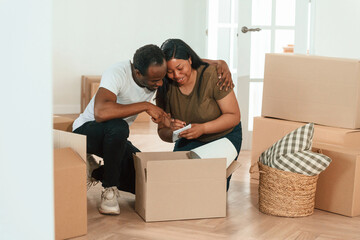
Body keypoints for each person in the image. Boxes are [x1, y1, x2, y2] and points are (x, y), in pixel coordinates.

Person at [72, 43, 234, 215]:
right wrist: (145, 105)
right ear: (137, 73)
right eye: (154, 80)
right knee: (118, 126)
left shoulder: (155, 68)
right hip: (86, 133)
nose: (160, 83)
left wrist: (218, 62)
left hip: (116, 139)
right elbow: (101, 113)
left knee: (146, 178)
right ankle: (109, 191)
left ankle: (96, 171)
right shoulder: (118, 72)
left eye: (162, 77)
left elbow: (179, 59)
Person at [156, 39, 242, 190]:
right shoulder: (164, 86)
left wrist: (203, 129)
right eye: (169, 71)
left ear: (189, 59)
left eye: (180, 68)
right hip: (190, 139)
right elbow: (162, 132)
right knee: (178, 187)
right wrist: (171, 130)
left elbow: (233, 116)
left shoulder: (213, 75)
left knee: (209, 190)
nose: (176, 75)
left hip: (223, 138)